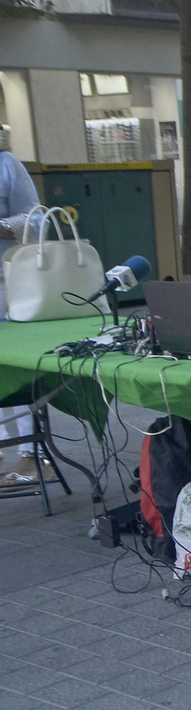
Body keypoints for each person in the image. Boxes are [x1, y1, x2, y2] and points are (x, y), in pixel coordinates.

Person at [0, 147, 47, 487]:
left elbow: (35, 218)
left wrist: (1, 226)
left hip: (9, 282)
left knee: (17, 364)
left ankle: (32, 455)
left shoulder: (6, 164)